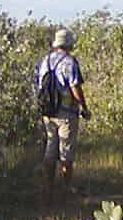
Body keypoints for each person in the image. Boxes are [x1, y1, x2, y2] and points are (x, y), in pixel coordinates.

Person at [36, 26, 90, 197]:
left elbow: (39, 86)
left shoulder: (45, 61)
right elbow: (75, 87)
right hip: (66, 113)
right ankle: (66, 188)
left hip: (48, 112)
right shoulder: (70, 62)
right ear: (69, 44)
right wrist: (84, 107)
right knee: (66, 151)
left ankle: (48, 187)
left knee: (50, 149)